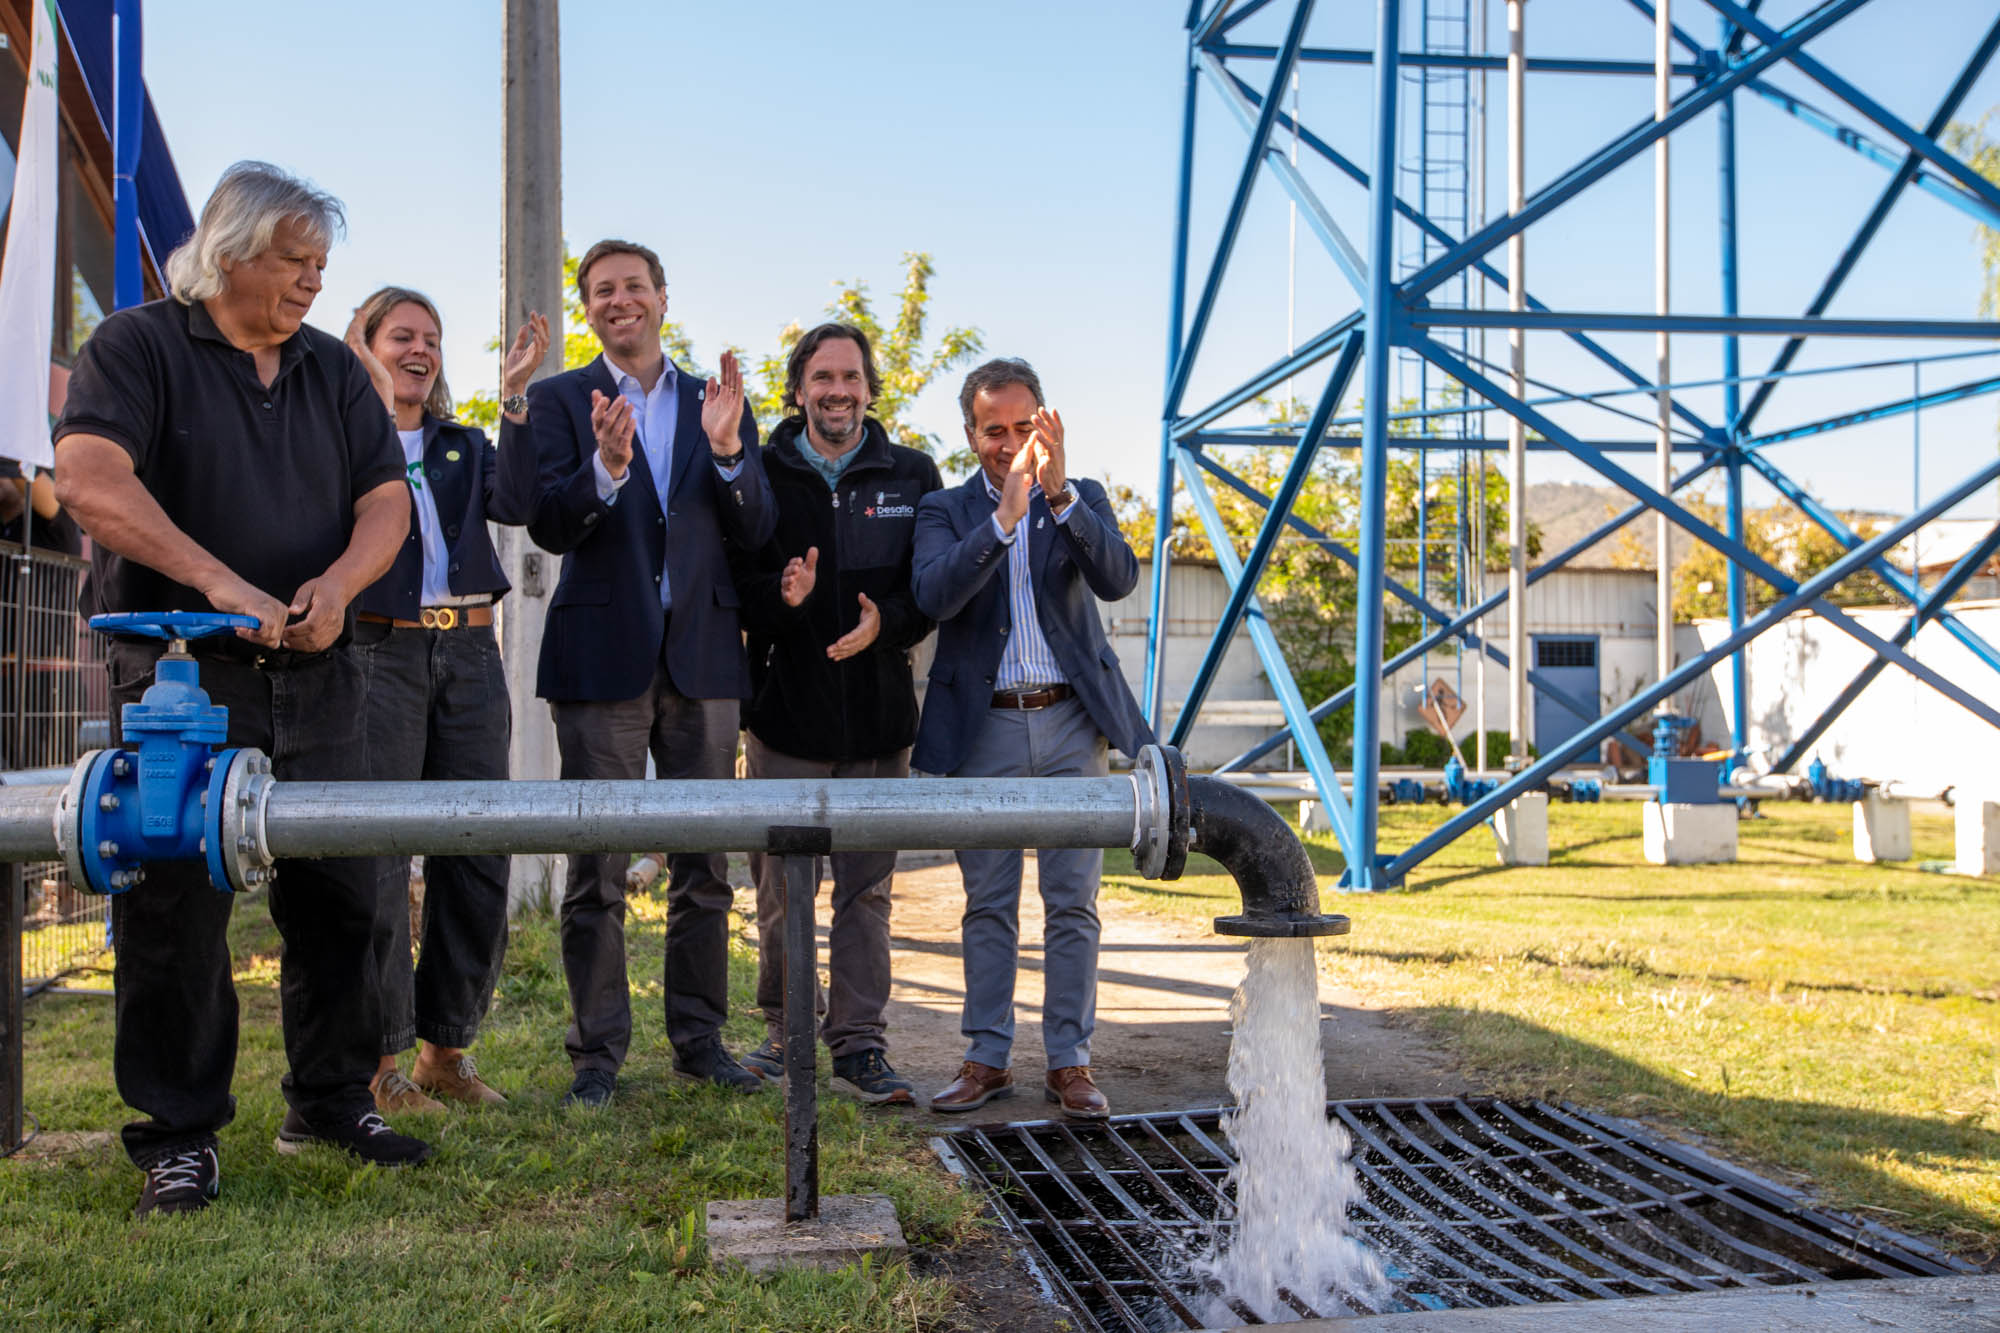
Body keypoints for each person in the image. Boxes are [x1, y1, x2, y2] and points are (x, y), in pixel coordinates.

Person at [52, 161, 426, 1216]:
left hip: (319, 674)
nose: (312, 282)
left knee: (347, 897)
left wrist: (343, 587)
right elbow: (87, 477)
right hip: (181, 675)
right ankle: (176, 1135)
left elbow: (385, 500)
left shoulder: (333, 371)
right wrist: (218, 580)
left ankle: (330, 1099)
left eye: (321, 264)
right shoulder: (136, 346)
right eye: (293, 260)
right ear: (225, 253)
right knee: (175, 912)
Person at [515, 238, 774, 1106]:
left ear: (663, 297)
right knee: (597, 865)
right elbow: (546, 522)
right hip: (601, 663)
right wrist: (608, 471)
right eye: (601, 291)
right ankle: (596, 1054)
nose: (619, 300)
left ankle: (701, 1040)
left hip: (703, 660)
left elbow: (757, 528)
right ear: (588, 308)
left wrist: (733, 454)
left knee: (704, 864)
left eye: (633, 286)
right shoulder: (559, 398)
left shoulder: (717, 401)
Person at [910, 357, 1152, 1119]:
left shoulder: (1080, 499)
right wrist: (1003, 521)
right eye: (992, 429)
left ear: (1046, 422)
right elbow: (933, 594)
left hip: (1071, 721)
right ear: (970, 434)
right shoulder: (944, 509)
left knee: (1073, 902)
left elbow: (1117, 578)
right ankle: (987, 1057)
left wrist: (1056, 496)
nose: (1008, 440)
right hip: (983, 727)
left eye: (1023, 425)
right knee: (988, 904)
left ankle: (1069, 1062)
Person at [344, 286, 550, 1114]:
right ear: (364, 346)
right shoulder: (341, 442)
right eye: (401, 336)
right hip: (377, 648)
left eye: (431, 337)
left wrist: (516, 400)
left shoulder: (462, 444)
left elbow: (522, 505)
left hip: (468, 649)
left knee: (477, 844)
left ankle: (446, 1051)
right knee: (383, 854)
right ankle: (379, 1063)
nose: (420, 350)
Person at [733, 323, 941, 1106]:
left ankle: (858, 1045)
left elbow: (928, 592)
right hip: (786, 716)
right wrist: (782, 605)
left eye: (851, 376)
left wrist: (885, 622)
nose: (838, 391)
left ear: (868, 388)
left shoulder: (912, 474)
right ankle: (785, 1036)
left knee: (867, 890)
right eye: (823, 377)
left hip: (882, 721)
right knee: (784, 889)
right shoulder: (760, 471)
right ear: (797, 390)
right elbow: (738, 582)